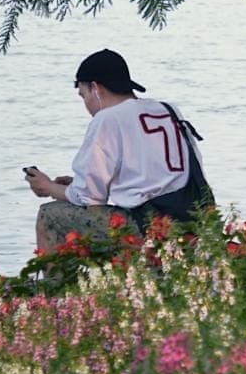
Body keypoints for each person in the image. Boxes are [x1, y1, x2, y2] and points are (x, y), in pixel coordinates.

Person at [26, 49, 210, 251]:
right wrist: (78, 182)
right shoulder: (167, 109)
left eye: (83, 95)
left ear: (96, 88)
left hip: (148, 226)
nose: (86, 104)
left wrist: (47, 187)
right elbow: (152, 175)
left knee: (50, 215)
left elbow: (87, 197)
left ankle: (55, 282)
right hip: (191, 218)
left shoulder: (108, 118)